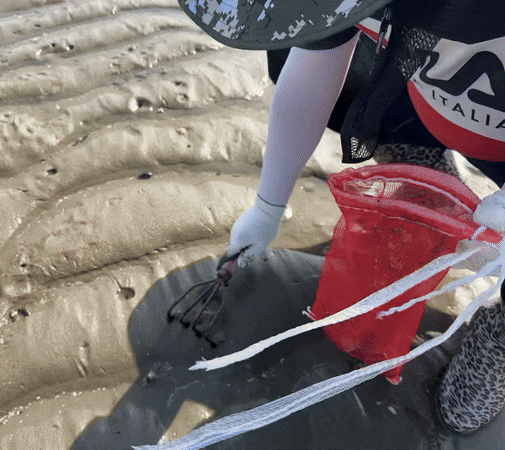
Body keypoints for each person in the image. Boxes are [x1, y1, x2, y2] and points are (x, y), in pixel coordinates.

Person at [178, 0, 505, 435]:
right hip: (419, 86)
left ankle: (496, 335)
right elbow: (314, 67)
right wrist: (266, 208)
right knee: (360, 78)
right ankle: (420, 162)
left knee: (461, 413)